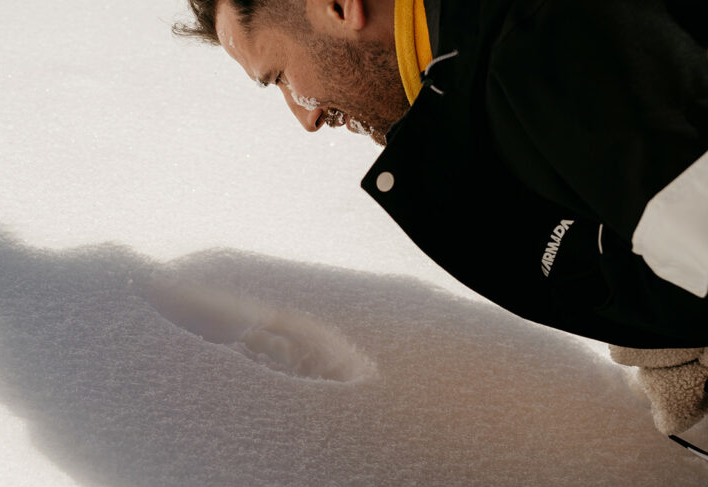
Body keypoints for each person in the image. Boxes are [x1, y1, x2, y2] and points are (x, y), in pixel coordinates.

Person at [175, 0, 708, 434]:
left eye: (281, 77)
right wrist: (660, 305)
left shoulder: (545, 48)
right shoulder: (491, 66)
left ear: (338, 6)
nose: (306, 116)